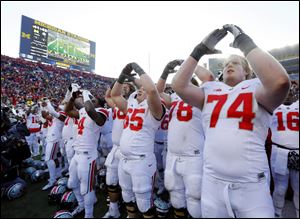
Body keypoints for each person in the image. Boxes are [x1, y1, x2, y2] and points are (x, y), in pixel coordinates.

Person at [172, 24, 290, 217]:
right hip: (212, 181)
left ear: (247, 72)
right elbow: (178, 84)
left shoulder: (256, 88)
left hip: (251, 185)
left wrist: (243, 42)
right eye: (226, 63)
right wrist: (199, 50)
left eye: (235, 63)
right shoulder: (211, 90)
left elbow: (279, 81)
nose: (228, 65)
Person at [157, 60, 214, 218]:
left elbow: (209, 78)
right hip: (173, 154)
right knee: (175, 195)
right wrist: (165, 71)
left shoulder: (203, 94)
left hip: (193, 154)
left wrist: (189, 63)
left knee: (194, 197)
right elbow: (157, 92)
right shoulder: (174, 97)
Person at [111, 62, 165, 218]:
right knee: (127, 196)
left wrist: (139, 70)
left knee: (144, 203)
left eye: (143, 89)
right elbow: (115, 95)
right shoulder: (132, 107)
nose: (140, 90)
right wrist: (122, 75)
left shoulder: (156, 108)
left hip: (141, 161)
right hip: (124, 159)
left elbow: (152, 92)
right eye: (139, 89)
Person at [65, 86, 108, 218]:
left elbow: (90, 109)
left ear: (99, 104)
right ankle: (82, 204)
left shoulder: (102, 111)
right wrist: (72, 97)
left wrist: (85, 93)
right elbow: (67, 111)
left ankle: (89, 215)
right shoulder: (83, 111)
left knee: (86, 188)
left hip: (88, 156)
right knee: (71, 183)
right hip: (77, 154)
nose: (89, 100)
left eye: (93, 99)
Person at [103, 80, 137, 218]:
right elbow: (107, 96)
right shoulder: (117, 105)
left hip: (128, 150)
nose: (123, 87)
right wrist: (116, 83)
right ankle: (113, 209)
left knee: (129, 186)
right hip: (115, 148)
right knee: (111, 181)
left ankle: (132, 213)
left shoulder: (134, 104)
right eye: (121, 86)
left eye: (126, 86)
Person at [269, 80, 299, 218]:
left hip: (298, 151)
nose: (288, 93)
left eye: (291, 90)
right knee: (280, 189)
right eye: (285, 91)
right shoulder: (272, 106)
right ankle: (277, 213)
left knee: (299, 189)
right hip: (279, 152)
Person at [41, 98, 67, 191]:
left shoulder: (63, 115)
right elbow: (45, 115)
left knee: (48, 159)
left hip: (54, 139)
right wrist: (42, 106)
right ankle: (58, 173)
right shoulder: (54, 116)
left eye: (59, 107)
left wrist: (47, 102)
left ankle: (52, 180)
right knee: (54, 157)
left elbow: (52, 111)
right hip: (51, 138)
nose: (58, 108)